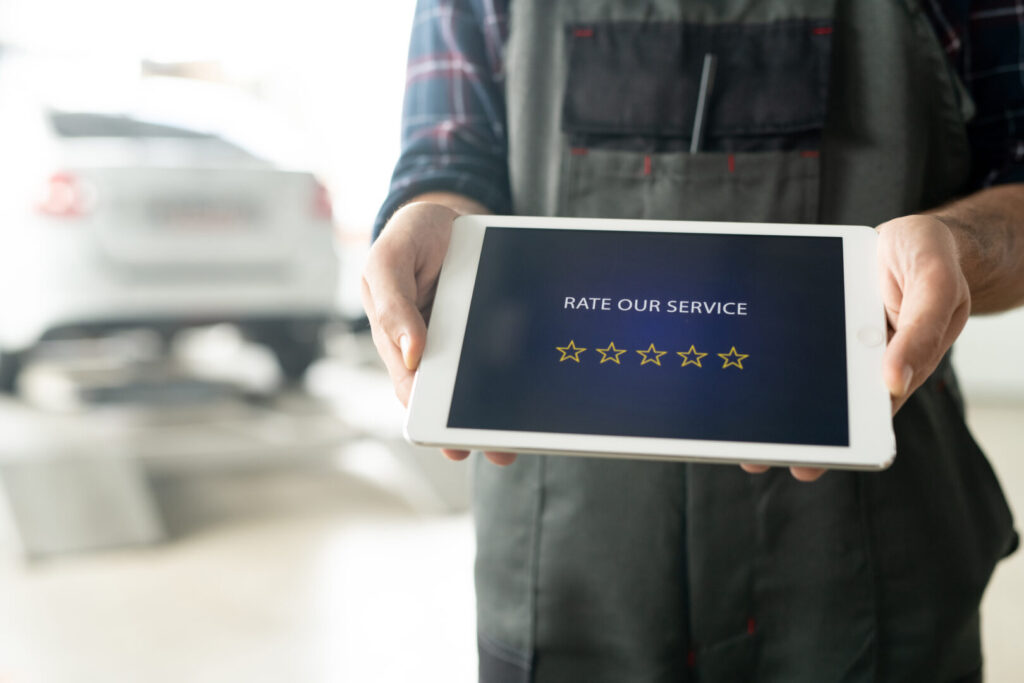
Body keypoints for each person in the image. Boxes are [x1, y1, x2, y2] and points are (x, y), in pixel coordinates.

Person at [363, 1, 1023, 680]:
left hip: (875, 557)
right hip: (561, 564)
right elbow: (449, 158)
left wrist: (960, 249)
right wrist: (430, 217)